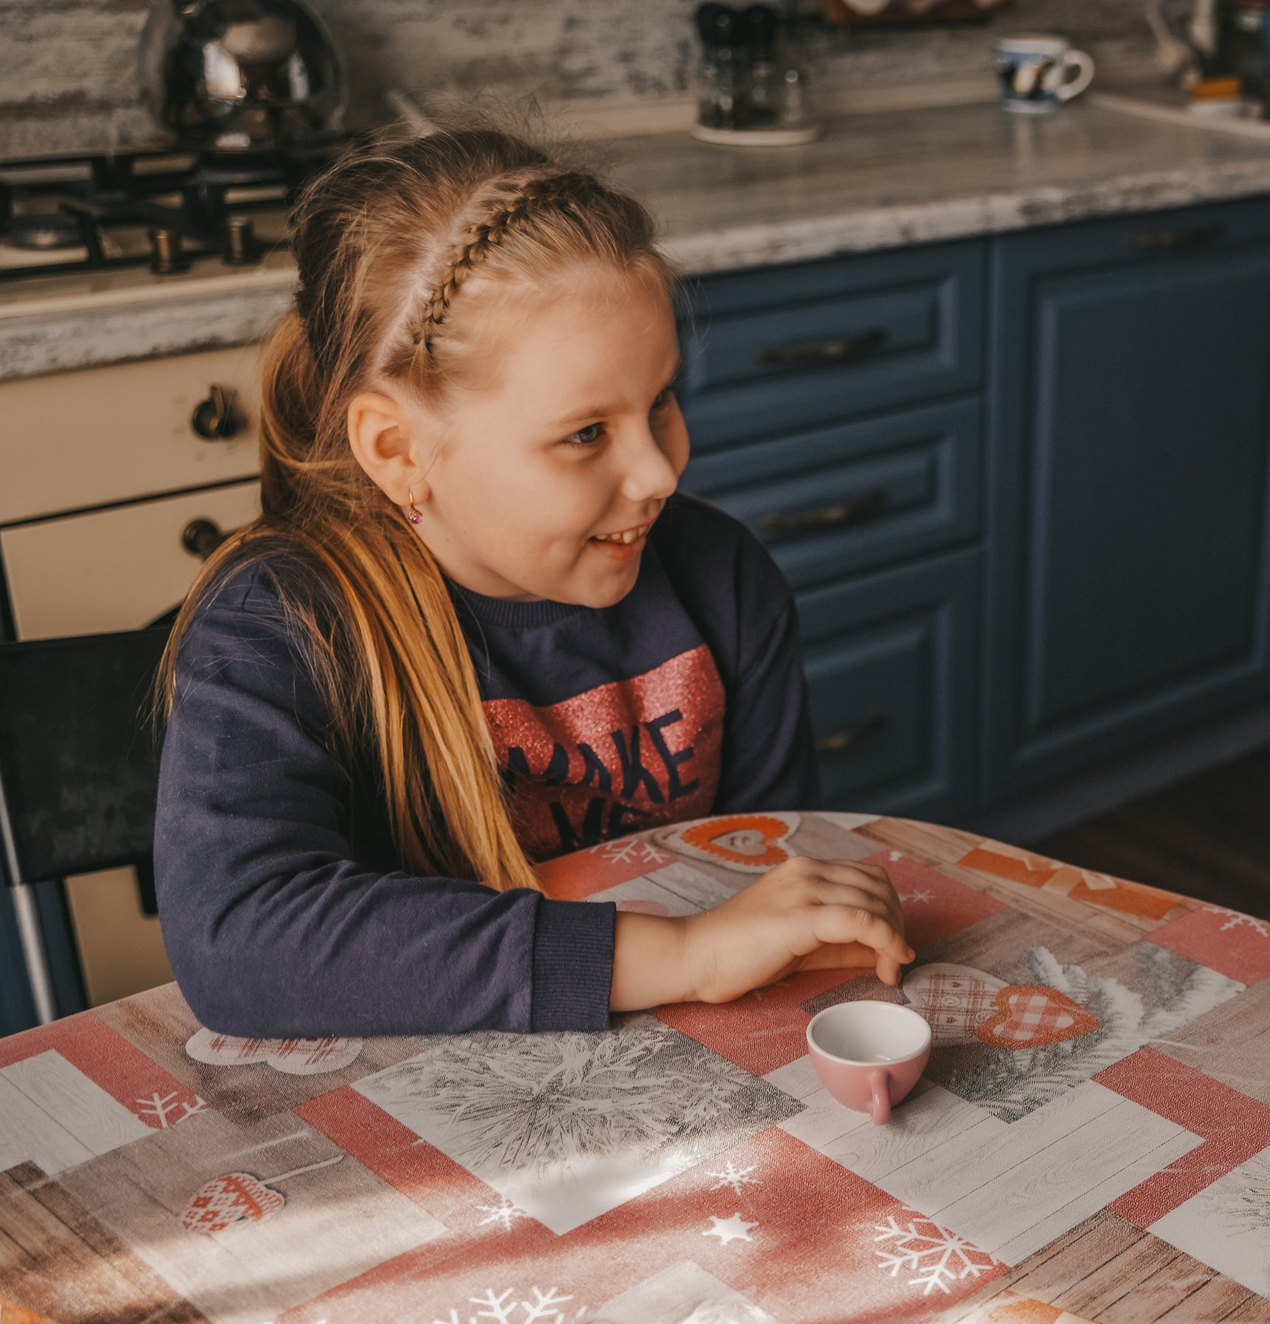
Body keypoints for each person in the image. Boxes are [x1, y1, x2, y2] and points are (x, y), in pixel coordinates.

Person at [156, 129, 910, 1039]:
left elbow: (772, 872)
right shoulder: (284, 625)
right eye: (586, 434)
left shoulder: (720, 577)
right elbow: (240, 937)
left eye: (662, 400)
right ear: (399, 451)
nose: (661, 474)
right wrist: (682, 955)